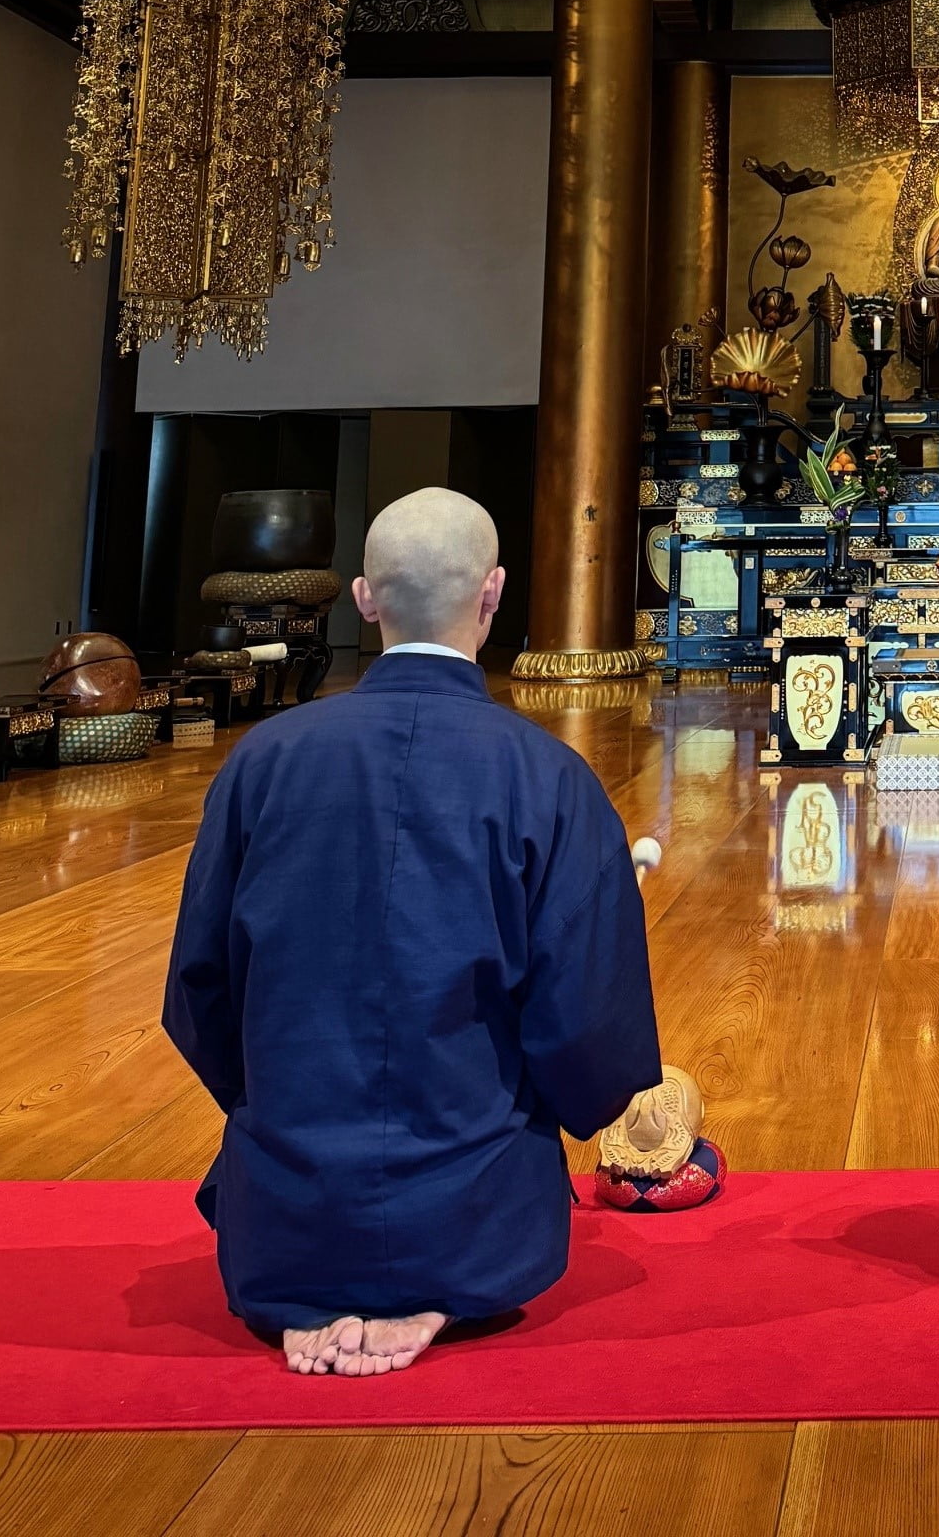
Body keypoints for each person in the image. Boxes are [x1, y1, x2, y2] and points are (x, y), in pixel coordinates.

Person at [163, 486, 660, 1378]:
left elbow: (199, 988)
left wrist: (286, 1106)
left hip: (289, 1217)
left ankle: (326, 1255)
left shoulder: (263, 763)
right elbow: (590, 1029)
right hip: (476, 1223)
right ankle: (431, 1272)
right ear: (494, 593)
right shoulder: (548, 778)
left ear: (363, 597)